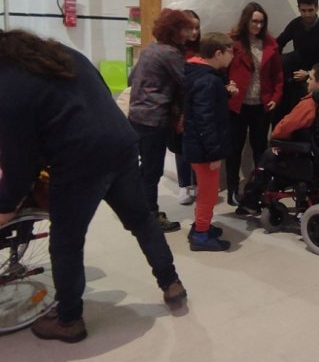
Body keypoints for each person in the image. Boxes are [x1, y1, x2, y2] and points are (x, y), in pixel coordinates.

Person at [0, 29, 186, 343]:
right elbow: (99, 98)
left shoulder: (7, 86)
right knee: (141, 221)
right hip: (121, 142)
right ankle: (172, 283)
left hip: (78, 160)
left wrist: (6, 205)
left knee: (66, 242)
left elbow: (21, 159)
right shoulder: (64, 55)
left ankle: (69, 320)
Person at [237, 62, 319, 214]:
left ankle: (250, 201)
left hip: (306, 159)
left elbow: (282, 129)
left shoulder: (310, 105)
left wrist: (277, 141)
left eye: (310, 78)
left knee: (269, 155)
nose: (307, 81)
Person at [129, 8, 195, 232]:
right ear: (175, 30)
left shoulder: (151, 49)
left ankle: (137, 209)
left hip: (136, 116)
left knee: (144, 168)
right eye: (187, 28)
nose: (191, 32)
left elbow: (132, 77)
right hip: (153, 119)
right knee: (152, 170)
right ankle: (150, 216)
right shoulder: (170, 53)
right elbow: (187, 83)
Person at [182, 33, 237, 251]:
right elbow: (206, 120)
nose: (232, 56)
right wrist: (214, 154)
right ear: (218, 53)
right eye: (230, 51)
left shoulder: (200, 75)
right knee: (208, 193)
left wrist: (225, 95)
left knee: (206, 191)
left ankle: (200, 225)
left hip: (200, 146)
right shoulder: (208, 80)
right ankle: (201, 236)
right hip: (205, 150)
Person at [226, 2, 283, 206]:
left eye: (261, 22)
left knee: (260, 149)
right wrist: (226, 86)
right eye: (254, 21)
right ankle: (232, 191)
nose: (258, 26)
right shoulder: (232, 42)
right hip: (237, 106)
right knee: (234, 150)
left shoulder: (270, 44)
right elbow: (222, 68)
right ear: (246, 21)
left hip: (262, 106)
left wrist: (275, 98)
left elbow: (278, 75)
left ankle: (258, 191)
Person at [274, 0, 319, 125]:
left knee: (307, 120)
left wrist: (310, 73)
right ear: (298, 8)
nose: (307, 14)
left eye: (311, 10)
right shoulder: (295, 24)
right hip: (296, 78)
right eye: (303, 10)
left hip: (316, 82)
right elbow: (279, 43)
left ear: (317, 8)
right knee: (285, 113)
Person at [176, 9, 201, 205]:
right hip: (180, 105)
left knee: (197, 145)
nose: (194, 32)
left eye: (197, 28)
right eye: (190, 27)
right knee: (181, 148)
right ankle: (184, 185)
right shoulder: (174, 50)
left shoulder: (202, 49)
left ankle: (196, 183)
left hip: (198, 104)